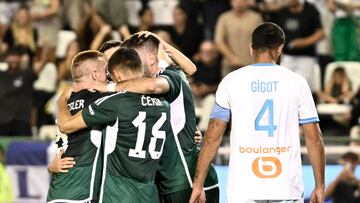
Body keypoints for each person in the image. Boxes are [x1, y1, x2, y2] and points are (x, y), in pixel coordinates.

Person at [190, 22, 325, 203]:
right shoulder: (297, 83)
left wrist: (198, 185)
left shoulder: (231, 81)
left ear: (251, 48)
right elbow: (314, 137)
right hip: (286, 188)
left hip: (244, 190)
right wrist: (319, 186)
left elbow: (212, 138)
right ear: (280, 49)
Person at [106, 33, 219, 203]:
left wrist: (108, 87)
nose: (131, 65)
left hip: (186, 179)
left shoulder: (168, 76)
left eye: (134, 59)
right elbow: (191, 69)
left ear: (151, 60)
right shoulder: (151, 80)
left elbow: (155, 87)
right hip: (168, 180)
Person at [57, 47, 173, 203]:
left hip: (118, 193)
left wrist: (61, 100)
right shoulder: (164, 104)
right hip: (150, 192)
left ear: (117, 74)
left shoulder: (114, 103)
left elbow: (66, 126)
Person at [46, 50, 110, 202]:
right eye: (105, 70)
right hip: (81, 191)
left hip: (57, 191)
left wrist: (60, 99)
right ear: (95, 74)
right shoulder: (99, 99)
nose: (109, 75)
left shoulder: (64, 99)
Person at [270, 0, 324, 91]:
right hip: (287, 56)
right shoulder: (281, 12)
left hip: (306, 56)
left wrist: (304, 42)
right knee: (284, 85)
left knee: (303, 86)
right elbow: (276, 34)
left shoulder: (311, 10)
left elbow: (320, 33)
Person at [215, 0, 263, 76]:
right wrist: (231, 57)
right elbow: (219, 41)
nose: (239, 3)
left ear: (247, 2)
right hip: (230, 65)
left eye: (242, 1)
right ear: (231, 2)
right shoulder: (224, 18)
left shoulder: (256, 18)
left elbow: (262, 39)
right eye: (235, 0)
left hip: (251, 64)